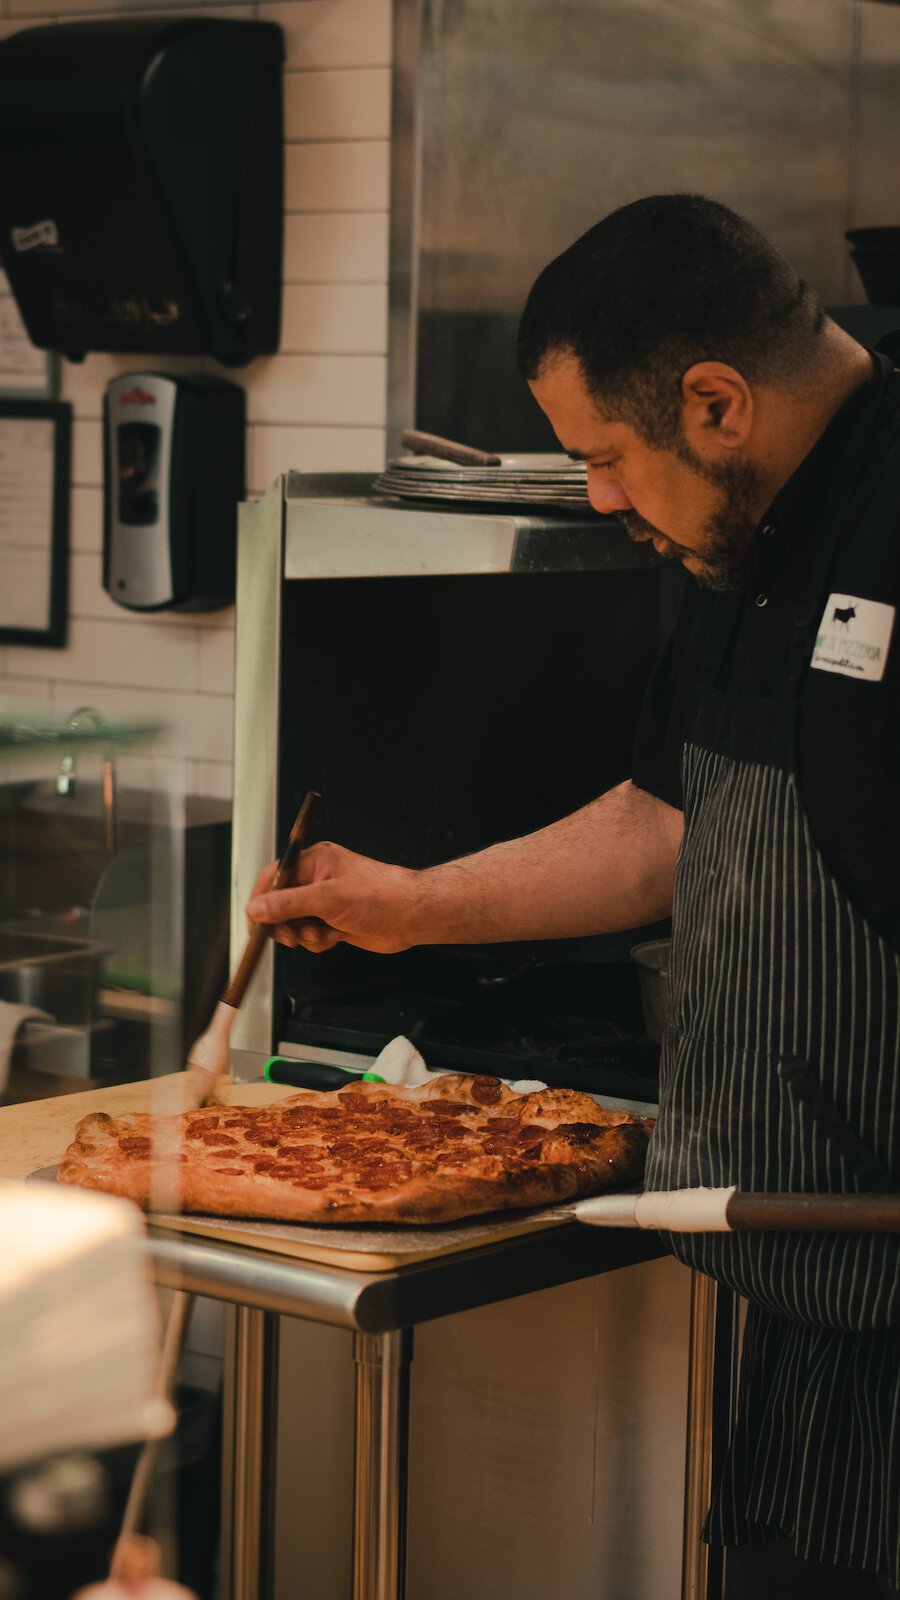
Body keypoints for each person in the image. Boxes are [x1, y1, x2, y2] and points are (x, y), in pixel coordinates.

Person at [247, 195, 900, 1599]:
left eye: (604, 455)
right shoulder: (740, 531)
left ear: (715, 402)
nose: (598, 496)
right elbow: (669, 818)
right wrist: (414, 904)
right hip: (785, 1273)